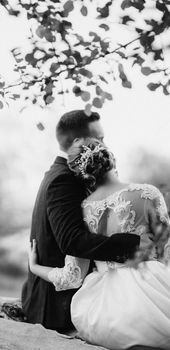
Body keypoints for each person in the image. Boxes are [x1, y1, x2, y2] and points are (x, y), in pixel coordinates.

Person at [29, 138, 170, 350]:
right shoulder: (146, 193)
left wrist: (35, 267)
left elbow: (72, 277)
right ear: (112, 159)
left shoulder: (83, 210)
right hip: (150, 293)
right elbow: (169, 255)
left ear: (82, 174)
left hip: (103, 311)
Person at [22, 110, 150, 332]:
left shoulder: (65, 174)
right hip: (57, 306)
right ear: (78, 141)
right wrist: (135, 244)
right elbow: (72, 240)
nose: (104, 144)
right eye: (99, 138)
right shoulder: (64, 179)